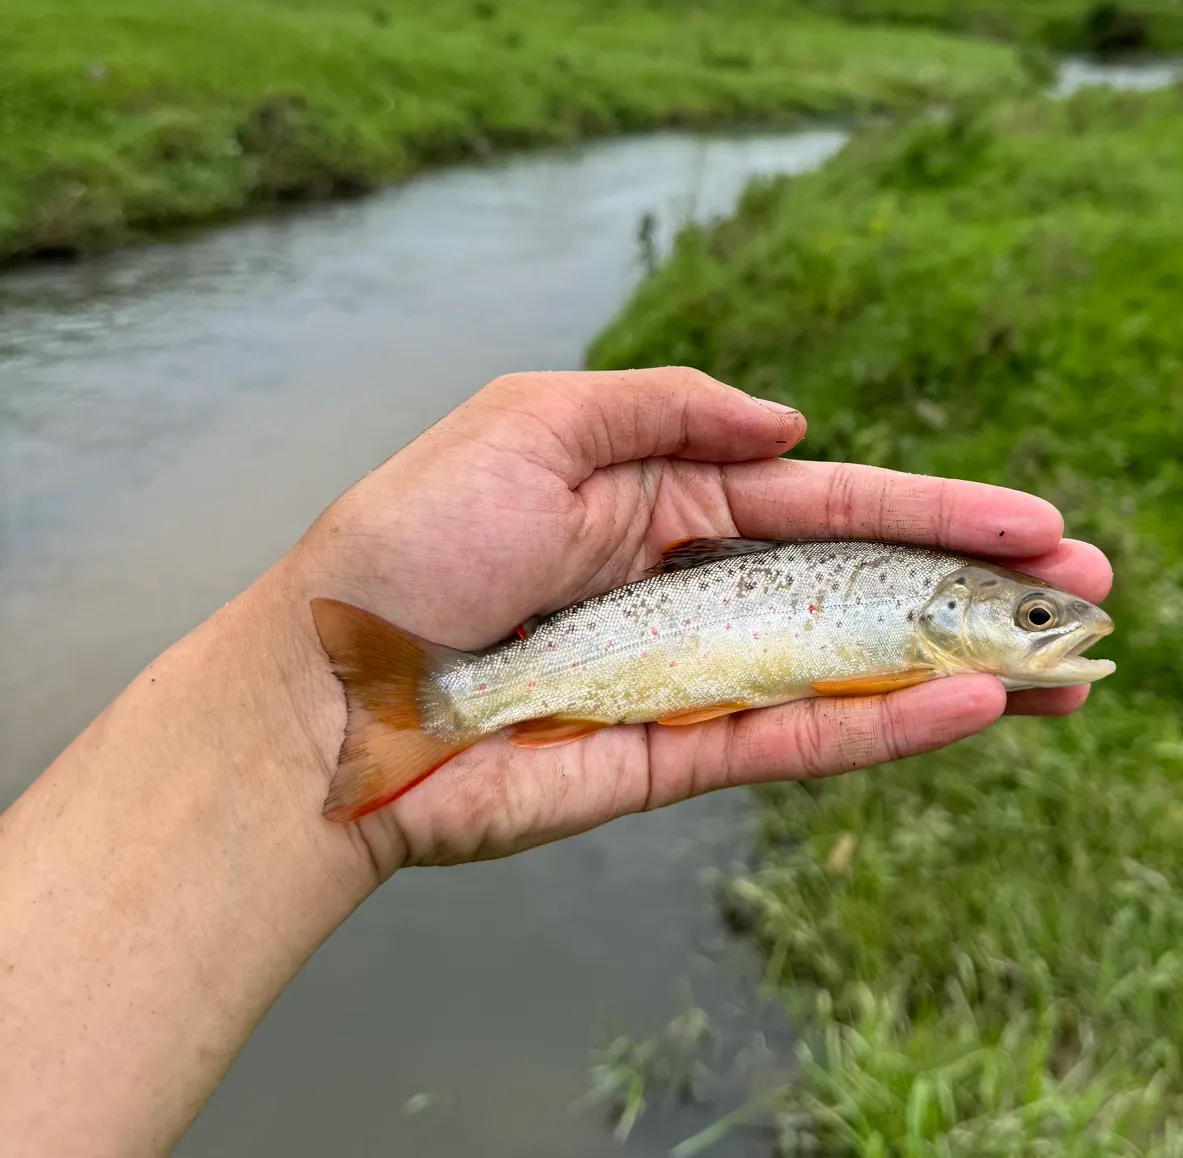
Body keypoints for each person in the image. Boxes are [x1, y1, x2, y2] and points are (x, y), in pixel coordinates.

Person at [0, 368, 1111, 1155]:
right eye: (1026, 614)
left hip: (651, 652)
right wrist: (312, 710)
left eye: (1030, 615)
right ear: (955, 609)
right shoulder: (909, 613)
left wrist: (279, 729)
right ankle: (442, 697)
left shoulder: (915, 633)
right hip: (574, 665)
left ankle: (437, 701)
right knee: (467, 693)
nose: (1045, 628)